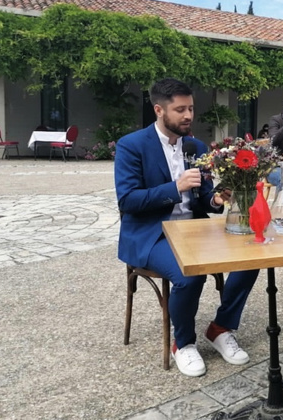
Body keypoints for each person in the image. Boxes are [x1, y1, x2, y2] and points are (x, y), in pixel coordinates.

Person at [115, 78, 258, 377]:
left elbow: (204, 198)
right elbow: (127, 200)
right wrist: (174, 187)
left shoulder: (196, 146)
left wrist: (217, 198)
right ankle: (183, 343)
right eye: (180, 109)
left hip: (194, 230)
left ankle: (220, 327)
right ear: (159, 110)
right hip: (152, 232)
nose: (188, 116)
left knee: (253, 254)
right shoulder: (132, 146)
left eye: (190, 108)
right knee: (188, 275)